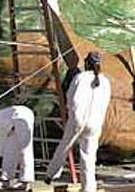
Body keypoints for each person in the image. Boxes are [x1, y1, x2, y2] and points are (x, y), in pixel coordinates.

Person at [45, 51, 111, 192]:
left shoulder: (80, 78)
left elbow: (71, 98)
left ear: (87, 63)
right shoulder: (105, 81)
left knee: (64, 147)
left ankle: (51, 175)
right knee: (88, 156)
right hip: (95, 123)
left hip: (78, 120)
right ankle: (88, 188)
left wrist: (70, 112)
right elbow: (105, 103)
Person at [0, 105, 35, 191]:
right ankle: (5, 180)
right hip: (14, 121)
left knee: (25, 149)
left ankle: (25, 181)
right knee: (9, 150)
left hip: (21, 116)